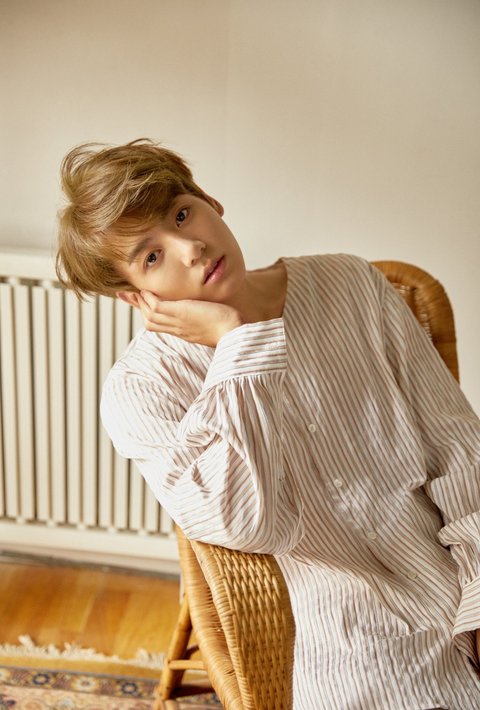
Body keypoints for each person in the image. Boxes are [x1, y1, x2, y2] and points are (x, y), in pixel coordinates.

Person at [56, 138, 480, 709]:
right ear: (134, 295)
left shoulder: (350, 283)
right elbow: (248, 524)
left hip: (457, 571)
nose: (190, 248)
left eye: (180, 214)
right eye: (151, 257)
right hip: (350, 637)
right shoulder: (140, 391)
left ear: (210, 201)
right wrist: (238, 348)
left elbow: (457, 447)